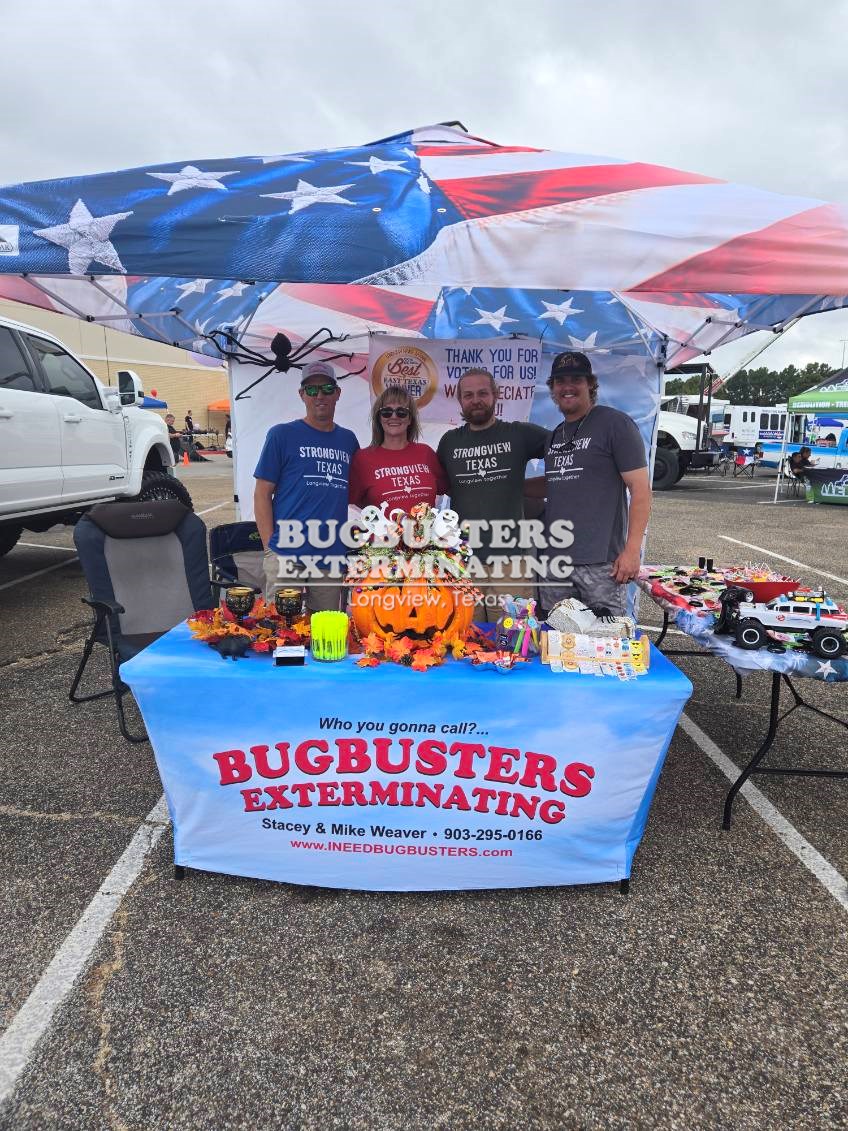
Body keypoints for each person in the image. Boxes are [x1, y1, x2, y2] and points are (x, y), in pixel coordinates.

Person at [536, 351, 652, 617]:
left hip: (601, 565)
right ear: (552, 389)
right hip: (556, 563)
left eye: (576, 379)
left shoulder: (615, 424)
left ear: (590, 384)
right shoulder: (554, 435)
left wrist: (632, 551)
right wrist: (506, 486)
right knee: (556, 644)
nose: (568, 387)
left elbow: (641, 489)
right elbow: (555, 483)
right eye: (560, 381)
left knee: (605, 645)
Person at [437, 368, 549, 620]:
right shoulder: (449, 442)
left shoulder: (519, 434)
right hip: (464, 559)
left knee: (513, 636)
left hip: (511, 559)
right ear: (460, 400)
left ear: (496, 395)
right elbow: (440, 486)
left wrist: (522, 486)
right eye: (468, 395)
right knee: (466, 635)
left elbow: (567, 455)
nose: (476, 400)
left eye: (482, 393)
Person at [253, 361, 359, 612]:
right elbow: (262, 493)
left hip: (329, 554)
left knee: (324, 631)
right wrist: (270, 548)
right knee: (278, 630)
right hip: (286, 551)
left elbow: (357, 490)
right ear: (302, 395)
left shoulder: (348, 440)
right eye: (311, 391)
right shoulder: (281, 435)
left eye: (325, 389)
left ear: (337, 393)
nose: (319, 396)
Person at [349, 387, 447, 513]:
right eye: (386, 412)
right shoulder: (363, 458)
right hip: (382, 533)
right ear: (379, 418)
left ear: (410, 419)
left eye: (401, 412)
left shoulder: (426, 453)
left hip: (425, 532)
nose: (394, 416)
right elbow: (351, 501)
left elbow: (448, 489)